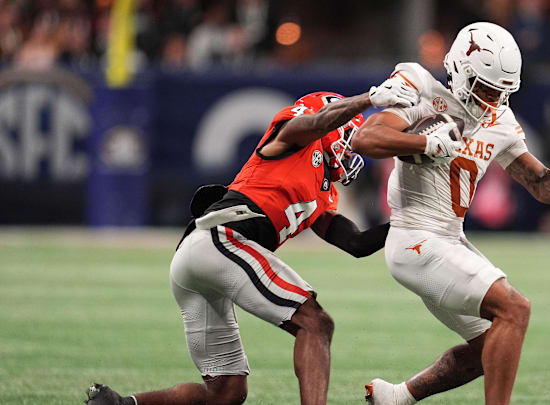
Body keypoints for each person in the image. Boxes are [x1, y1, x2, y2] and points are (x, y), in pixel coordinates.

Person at [85, 77, 463, 405]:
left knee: (226, 393)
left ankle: (120, 404)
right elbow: (311, 124)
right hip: (221, 239)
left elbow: (358, 243)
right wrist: (367, 100)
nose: (352, 148)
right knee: (316, 324)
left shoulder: (323, 193)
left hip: (198, 256)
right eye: (347, 135)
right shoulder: (293, 138)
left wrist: (416, 218)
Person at [351, 22, 550, 405]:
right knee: (515, 310)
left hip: (450, 239)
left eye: (501, 91)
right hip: (414, 238)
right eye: (486, 88)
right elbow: (365, 138)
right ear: (461, 70)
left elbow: (542, 186)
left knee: (493, 345)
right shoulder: (419, 85)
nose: (491, 100)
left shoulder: (499, 118)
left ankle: (398, 396)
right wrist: (425, 142)